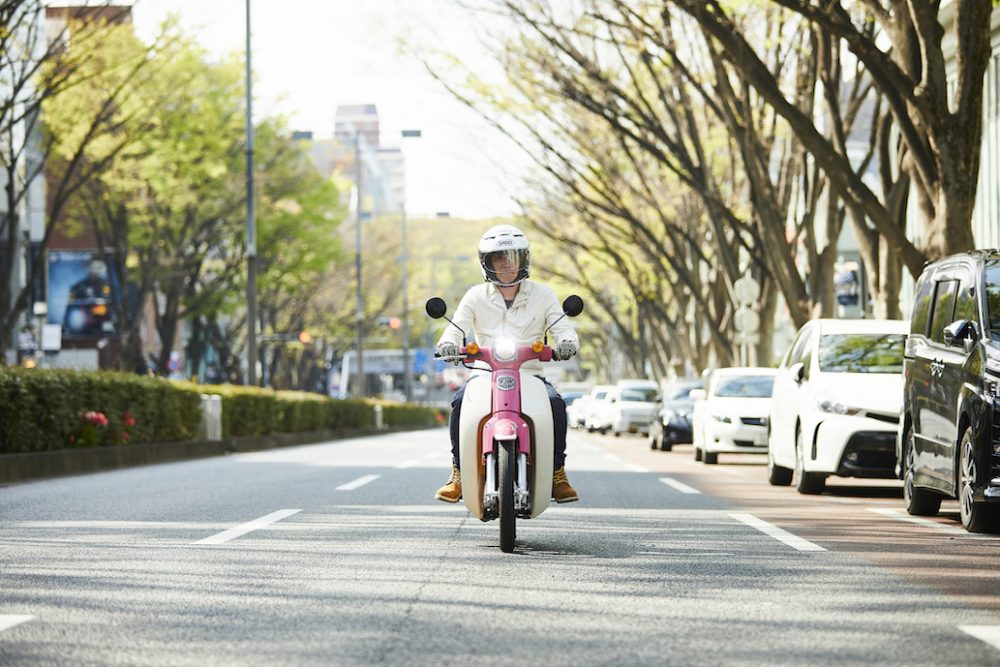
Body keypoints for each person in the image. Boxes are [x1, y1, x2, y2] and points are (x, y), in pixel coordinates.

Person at [434, 225, 580, 504]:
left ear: (524, 259)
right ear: (486, 263)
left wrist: (567, 343)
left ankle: (557, 473)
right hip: (485, 375)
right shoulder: (475, 295)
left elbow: (563, 326)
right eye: (497, 257)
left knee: (556, 405)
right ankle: (459, 473)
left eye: (512, 256)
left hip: (529, 374)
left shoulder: (543, 294)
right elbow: (455, 328)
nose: (506, 263)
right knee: (459, 402)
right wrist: (448, 344)